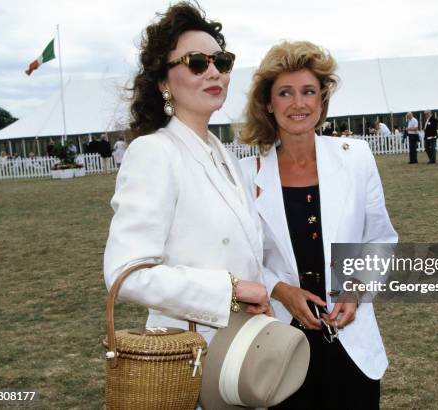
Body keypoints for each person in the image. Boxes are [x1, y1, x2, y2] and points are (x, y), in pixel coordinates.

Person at [103, 1, 268, 365]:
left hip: (244, 357)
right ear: (164, 80)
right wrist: (230, 290)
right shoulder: (154, 153)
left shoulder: (225, 156)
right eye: (197, 62)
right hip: (190, 360)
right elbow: (126, 273)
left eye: (221, 62)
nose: (214, 73)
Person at [239, 40, 398, 409]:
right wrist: (280, 290)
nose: (298, 103)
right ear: (268, 103)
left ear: (322, 100)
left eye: (308, 91)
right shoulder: (246, 175)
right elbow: (239, 260)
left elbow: (380, 239)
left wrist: (356, 289)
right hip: (279, 346)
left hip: (352, 347)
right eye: (285, 93)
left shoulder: (356, 158)